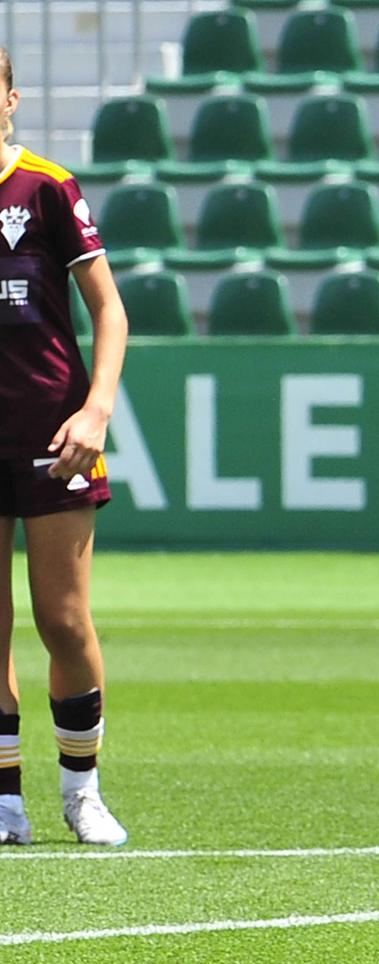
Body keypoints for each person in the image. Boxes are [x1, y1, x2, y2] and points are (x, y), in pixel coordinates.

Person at [0, 48, 129, 847]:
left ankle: (81, 790)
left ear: (10, 96)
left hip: (54, 432)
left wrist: (96, 410)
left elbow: (110, 311)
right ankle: (4, 799)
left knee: (64, 619)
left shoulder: (46, 185)